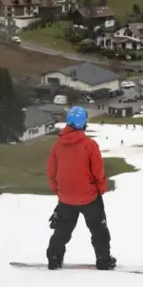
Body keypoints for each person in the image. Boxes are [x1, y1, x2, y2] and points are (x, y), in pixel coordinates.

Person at [45, 106, 117, 271]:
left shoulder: (57, 145)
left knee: (62, 230)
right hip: (89, 196)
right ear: (84, 123)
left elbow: (51, 170)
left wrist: (58, 190)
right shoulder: (89, 145)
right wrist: (101, 189)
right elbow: (98, 172)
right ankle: (103, 260)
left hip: (66, 198)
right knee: (98, 229)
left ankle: (54, 258)